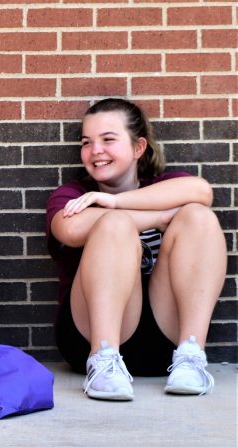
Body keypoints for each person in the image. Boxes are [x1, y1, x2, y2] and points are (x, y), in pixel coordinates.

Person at [46, 98, 226, 401]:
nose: (95, 151)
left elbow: (202, 192)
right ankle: (103, 362)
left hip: (164, 339)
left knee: (198, 216)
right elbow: (71, 228)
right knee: (114, 224)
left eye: (108, 140)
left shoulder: (166, 185)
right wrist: (157, 218)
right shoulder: (73, 194)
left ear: (138, 147)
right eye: (87, 142)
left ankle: (191, 356)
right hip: (90, 336)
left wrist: (114, 202)